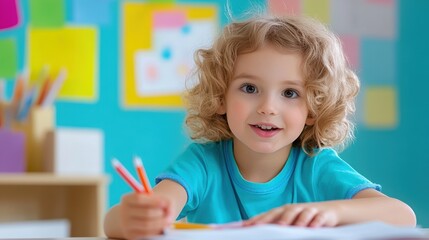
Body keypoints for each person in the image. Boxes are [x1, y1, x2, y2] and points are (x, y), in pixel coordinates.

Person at [104, 15, 416, 239]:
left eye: (290, 93)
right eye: (249, 88)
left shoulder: (316, 167)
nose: (268, 107)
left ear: (313, 109)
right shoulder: (201, 163)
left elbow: (403, 217)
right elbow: (116, 222)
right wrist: (136, 217)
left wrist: (335, 213)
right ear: (221, 96)